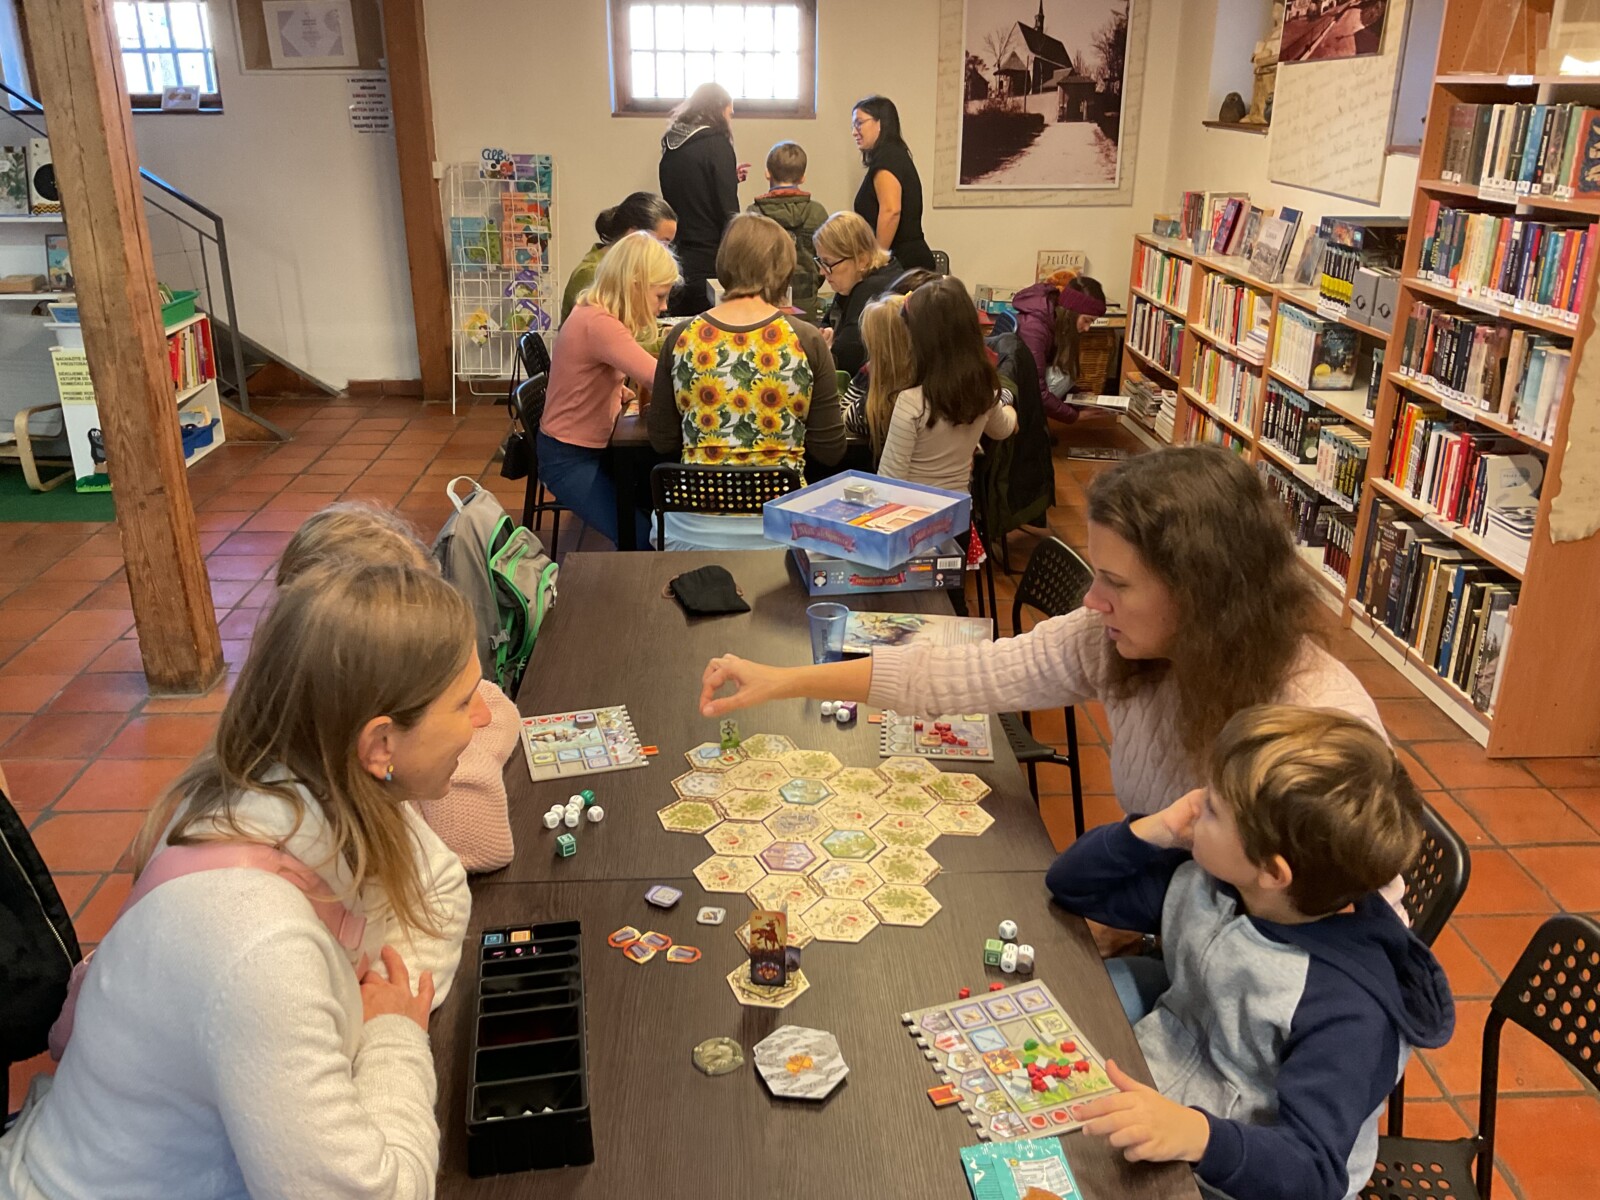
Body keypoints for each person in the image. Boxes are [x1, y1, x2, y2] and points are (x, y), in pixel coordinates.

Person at [0, 564, 484, 1198]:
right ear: (380, 745)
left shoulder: (306, 793)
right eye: (464, 701)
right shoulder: (259, 947)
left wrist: (378, 1009)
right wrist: (391, 1033)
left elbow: (437, 893)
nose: (483, 717)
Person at [698, 446, 1389, 826]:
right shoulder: (1112, 641)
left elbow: (1348, 967)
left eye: (1117, 583)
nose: (1093, 600)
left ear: (1202, 589)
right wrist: (784, 680)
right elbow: (959, 675)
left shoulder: (1317, 726)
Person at [1055, 705, 1452, 1200]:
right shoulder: (1217, 880)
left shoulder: (1349, 1012)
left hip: (1244, 1167)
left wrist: (1199, 1136)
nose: (1193, 803)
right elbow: (1070, 885)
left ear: (1272, 872)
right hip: (1172, 1080)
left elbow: (1313, 1170)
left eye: (1214, 809)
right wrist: (1153, 829)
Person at [275, 501, 519, 874]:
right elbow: (483, 844)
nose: (482, 714)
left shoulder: (380, 730)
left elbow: (497, 708)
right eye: (460, 703)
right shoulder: (334, 826)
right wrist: (469, 747)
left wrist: (449, 723)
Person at [649, 213, 847, 550]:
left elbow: (662, 439)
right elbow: (830, 451)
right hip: (781, 531)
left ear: (724, 262)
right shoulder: (806, 339)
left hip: (693, 528)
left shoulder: (681, 336)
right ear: (783, 269)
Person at [540, 230, 677, 549]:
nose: (664, 306)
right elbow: (660, 380)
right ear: (634, 286)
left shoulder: (593, 311)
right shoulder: (601, 324)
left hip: (576, 450)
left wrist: (613, 390)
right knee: (643, 539)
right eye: (659, 296)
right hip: (569, 459)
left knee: (650, 513)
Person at [875, 276, 1017, 495]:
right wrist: (1010, 409)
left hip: (914, 513)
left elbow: (889, 482)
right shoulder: (983, 391)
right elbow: (1003, 430)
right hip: (958, 511)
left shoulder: (911, 403)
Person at [659, 82, 748, 318]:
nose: (730, 120)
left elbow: (690, 189)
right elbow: (728, 210)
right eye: (730, 113)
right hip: (710, 258)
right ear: (719, 109)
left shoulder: (672, 145)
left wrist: (729, 177)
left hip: (677, 255)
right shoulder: (717, 143)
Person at [560, 191, 678, 328]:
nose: (666, 252)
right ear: (634, 235)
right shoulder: (592, 274)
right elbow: (612, 331)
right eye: (663, 243)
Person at [850, 94, 935, 272]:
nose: (854, 132)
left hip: (902, 263)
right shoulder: (893, 155)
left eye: (859, 123)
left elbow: (891, 211)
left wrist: (877, 260)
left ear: (880, 123)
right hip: (905, 259)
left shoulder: (888, 158)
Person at [747, 141, 828, 323]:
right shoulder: (817, 213)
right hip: (806, 303)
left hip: (764, 303)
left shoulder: (755, 214)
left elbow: (748, 263)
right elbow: (825, 264)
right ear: (802, 178)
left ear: (767, 173)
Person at [813, 211, 903, 375]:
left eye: (828, 263)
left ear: (862, 260)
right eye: (820, 261)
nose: (822, 272)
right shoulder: (853, 281)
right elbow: (825, 326)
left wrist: (828, 347)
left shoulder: (871, 290)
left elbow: (845, 358)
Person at [1011, 271, 1109, 422]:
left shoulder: (1055, 319)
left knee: (1066, 369)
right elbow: (1037, 389)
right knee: (1064, 374)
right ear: (1072, 313)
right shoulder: (1035, 329)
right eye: (1086, 320)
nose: (1087, 328)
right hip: (1017, 391)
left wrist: (1079, 396)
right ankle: (1029, 425)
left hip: (1022, 384)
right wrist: (1075, 416)